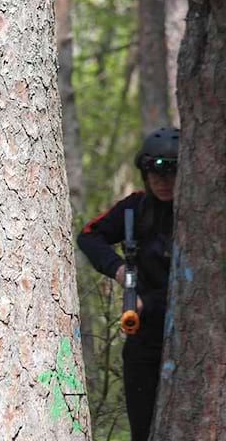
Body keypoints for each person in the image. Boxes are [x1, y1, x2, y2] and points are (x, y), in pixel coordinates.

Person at [77, 127, 179, 441]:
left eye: (172, 173)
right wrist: (119, 270)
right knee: (144, 431)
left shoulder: (204, 213)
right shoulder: (135, 208)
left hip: (191, 332)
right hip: (144, 339)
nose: (162, 181)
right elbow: (89, 236)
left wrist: (148, 303)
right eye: (154, 173)